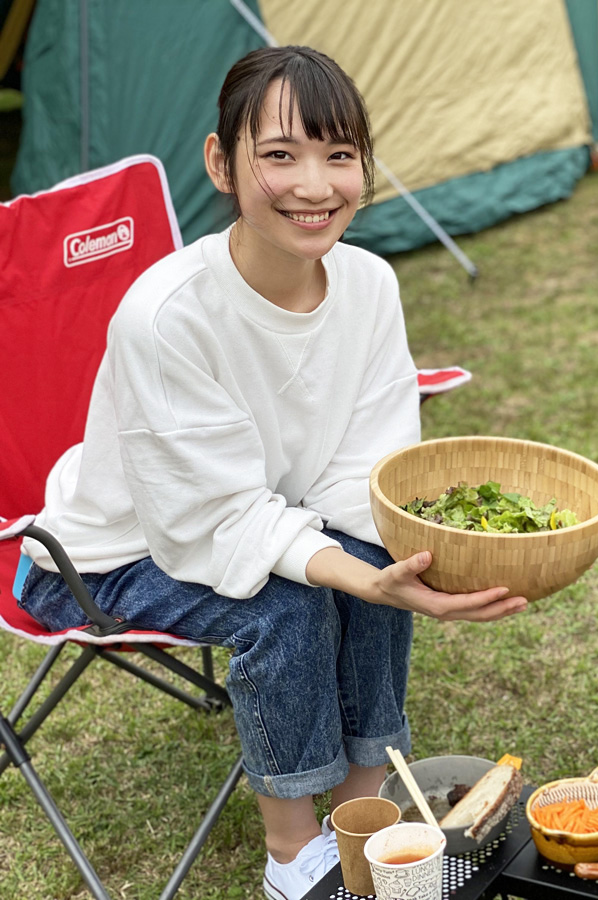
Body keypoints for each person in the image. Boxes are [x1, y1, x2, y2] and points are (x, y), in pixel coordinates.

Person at [17, 45, 527, 900]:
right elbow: (211, 522)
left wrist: (399, 563)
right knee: (292, 599)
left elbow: (364, 471)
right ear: (222, 162)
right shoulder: (167, 314)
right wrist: (351, 575)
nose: (314, 185)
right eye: (279, 154)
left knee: (377, 555)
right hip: (110, 554)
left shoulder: (368, 284)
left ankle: (363, 822)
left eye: (339, 155)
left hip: (256, 512)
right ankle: (294, 857)